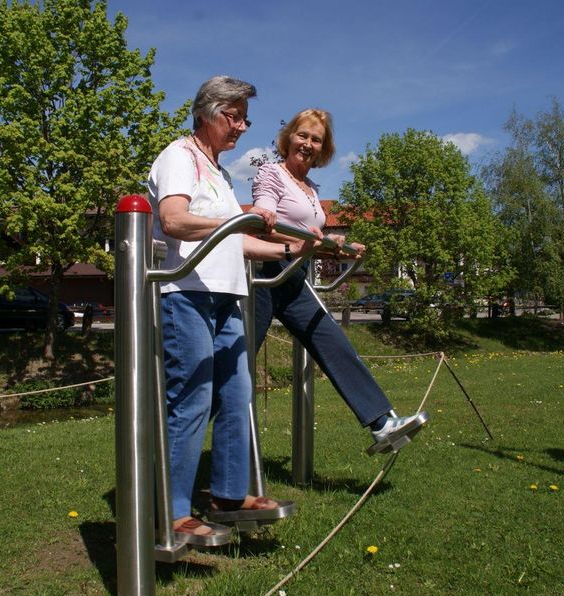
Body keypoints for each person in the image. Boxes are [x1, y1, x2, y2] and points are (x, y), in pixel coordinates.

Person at [148, 77, 317, 546]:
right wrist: (235, 221)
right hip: (186, 294)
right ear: (207, 113)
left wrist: (300, 247)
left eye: (246, 118)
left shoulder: (219, 174)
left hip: (226, 296)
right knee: (192, 398)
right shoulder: (179, 157)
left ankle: (226, 495)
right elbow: (174, 220)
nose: (242, 126)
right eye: (234, 116)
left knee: (238, 393)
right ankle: (173, 512)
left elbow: (238, 239)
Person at [251, 108, 429, 454]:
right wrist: (279, 225)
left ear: (323, 148)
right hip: (264, 273)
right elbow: (263, 224)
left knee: (333, 340)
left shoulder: (310, 189)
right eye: (303, 135)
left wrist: (337, 250)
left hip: (294, 275)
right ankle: (177, 439)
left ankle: (381, 423)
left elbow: (309, 241)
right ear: (289, 138)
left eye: (316, 139)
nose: (308, 143)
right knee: (237, 363)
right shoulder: (271, 175)